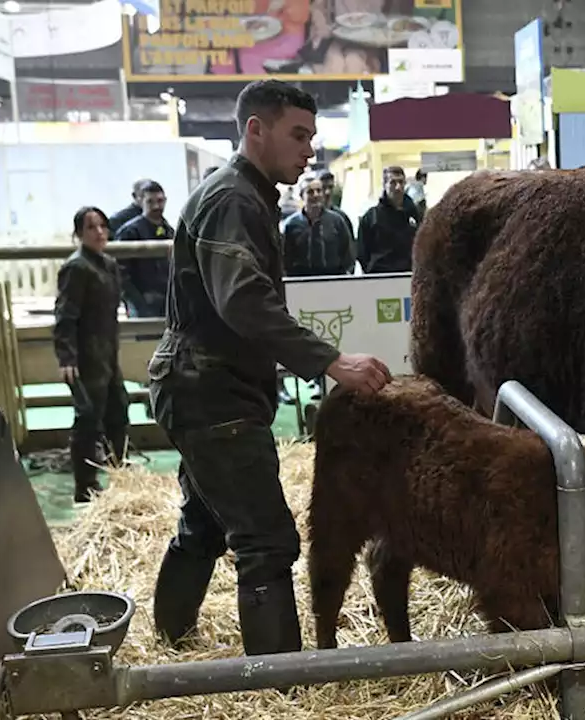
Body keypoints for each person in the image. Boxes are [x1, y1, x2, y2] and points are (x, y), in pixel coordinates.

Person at [149, 79, 391, 657]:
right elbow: (244, 300)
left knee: (205, 524)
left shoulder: (246, 195)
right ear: (255, 130)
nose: (310, 151)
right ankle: (279, 683)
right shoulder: (234, 199)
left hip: (204, 385)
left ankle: (169, 641)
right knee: (267, 541)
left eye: (312, 137)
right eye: (299, 135)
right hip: (211, 392)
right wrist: (330, 360)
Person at [54, 206, 131, 503]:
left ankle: (118, 472)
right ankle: (84, 486)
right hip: (86, 355)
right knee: (88, 418)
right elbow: (65, 316)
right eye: (90, 228)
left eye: (102, 226)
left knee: (118, 410)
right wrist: (67, 357)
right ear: (78, 234)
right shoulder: (77, 268)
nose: (99, 232)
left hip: (107, 352)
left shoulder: (108, 263)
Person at [115, 180, 175, 318]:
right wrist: (137, 300)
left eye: (160, 201)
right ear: (141, 201)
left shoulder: (170, 231)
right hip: (142, 303)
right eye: (150, 201)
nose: (156, 206)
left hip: (167, 302)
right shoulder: (129, 232)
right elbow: (120, 272)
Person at [282, 177, 355, 277]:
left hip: (333, 280)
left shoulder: (337, 221)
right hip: (301, 282)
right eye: (310, 192)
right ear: (302, 196)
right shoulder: (291, 225)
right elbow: (285, 259)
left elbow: (348, 255)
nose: (315, 195)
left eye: (319, 191)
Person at [357, 165, 420, 274]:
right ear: (384, 185)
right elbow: (362, 252)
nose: (398, 187)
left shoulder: (416, 215)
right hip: (380, 277)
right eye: (393, 183)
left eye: (401, 182)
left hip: (408, 275)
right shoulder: (371, 217)